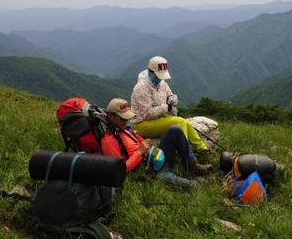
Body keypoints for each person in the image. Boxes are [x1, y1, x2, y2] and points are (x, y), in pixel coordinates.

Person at [77, 98, 211, 187]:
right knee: (192, 184)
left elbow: (138, 141)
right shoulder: (109, 141)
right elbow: (120, 169)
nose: (126, 121)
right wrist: (140, 152)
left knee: (175, 129)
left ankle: (192, 165)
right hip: (150, 171)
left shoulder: (124, 130)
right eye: (122, 119)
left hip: (155, 157)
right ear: (111, 116)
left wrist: (143, 143)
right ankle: (194, 183)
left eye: (127, 118)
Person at [130, 56, 208, 153]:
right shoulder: (141, 87)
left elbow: (169, 94)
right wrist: (166, 107)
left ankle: (203, 148)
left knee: (184, 122)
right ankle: (187, 155)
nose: (160, 78)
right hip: (143, 123)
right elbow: (147, 114)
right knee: (180, 122)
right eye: (159, 75)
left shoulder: (161, 83)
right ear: (151, 72)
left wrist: (172, 99)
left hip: (158, 118)